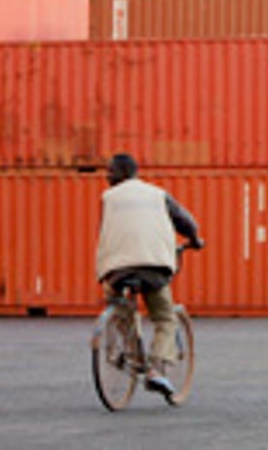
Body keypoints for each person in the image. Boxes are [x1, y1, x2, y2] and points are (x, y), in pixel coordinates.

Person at [95, 153, 203, 400]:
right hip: (153, 267)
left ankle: (127, 342)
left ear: (123, 173)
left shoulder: (108, 198)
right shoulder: (158, 195)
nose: (107, 176)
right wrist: (195, 240)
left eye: (110, 171)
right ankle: (155, 369)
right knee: (165, 317)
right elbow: (187, 223)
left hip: (116, 269)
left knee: (116, 302)